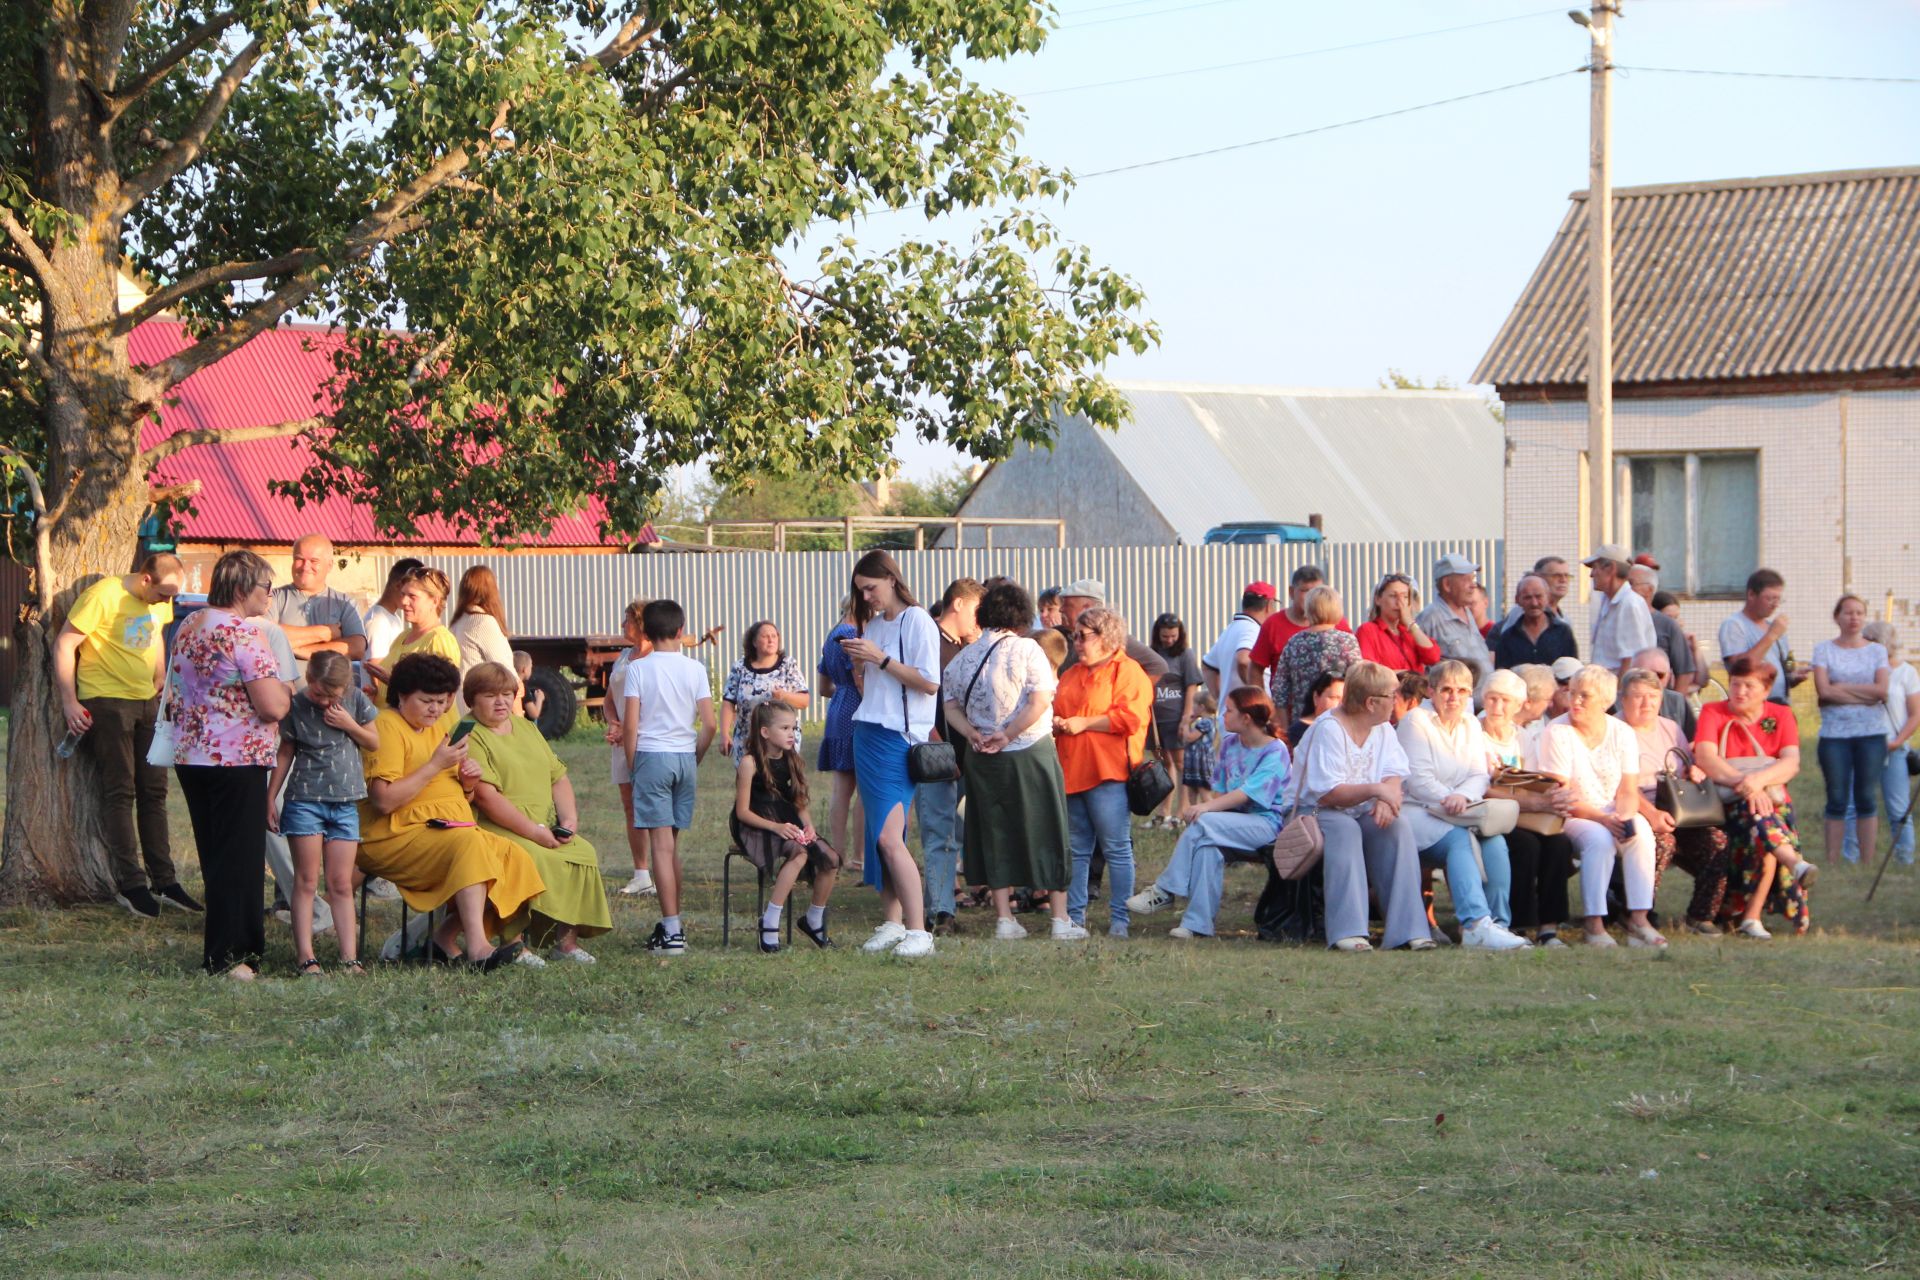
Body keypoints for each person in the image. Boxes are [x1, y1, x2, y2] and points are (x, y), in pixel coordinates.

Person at [357, 653, 544, 969]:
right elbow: (384, 801)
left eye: (442, 702)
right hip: (395, 833)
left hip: (446, 824)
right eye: (427, 701)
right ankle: (478, 949)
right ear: (401, 696)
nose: (436, 709)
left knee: (511, 854)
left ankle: (482, 942)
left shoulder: (435, 725)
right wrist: (435, 765)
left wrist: (468, 783)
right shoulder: (387, 727)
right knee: (469, 845)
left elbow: (457, 790)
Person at [164, 551, 289, 977]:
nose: (269, 597)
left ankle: (218, 951)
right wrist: (288, 694)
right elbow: (272, 705)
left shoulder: (189, 624)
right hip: (235, 758)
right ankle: (235, 957)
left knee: (217, 855)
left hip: (192, 755)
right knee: (241, 858)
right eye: (265, 588)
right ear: (241, 590)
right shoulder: (243, 633)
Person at [53, 551, 194, 918]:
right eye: (164, 594)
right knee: (121, 790)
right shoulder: (103, 595)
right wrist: (69, 701)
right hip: (108, 702)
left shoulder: (160, 600)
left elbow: (157, 635)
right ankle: (131, 885)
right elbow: (66, 643)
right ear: (146, 579)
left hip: (148, 700)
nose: (169, 603)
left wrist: (160, 673)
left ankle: (165, 881)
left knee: (155, 791)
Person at [941, 582, 1075, 940]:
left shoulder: (964, 656)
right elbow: (1040, 700)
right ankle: (1060, 920)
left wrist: (972, 733)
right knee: (1048, 827)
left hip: (981, 755)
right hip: (1030, 751)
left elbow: (949, 705)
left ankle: (1005, 919)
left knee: (994, 831)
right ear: (1020, 613)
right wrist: (1009, 733)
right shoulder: (1028, 649)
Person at [464, 661, 612, 964]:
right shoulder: (470, 732)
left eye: (507, 694)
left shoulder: (524, 726)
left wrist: (569, 821)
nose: (502, 701)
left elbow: (557, 776)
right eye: (491, 695)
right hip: (497, 824)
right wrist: (533, 832)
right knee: (526, 855)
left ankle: (565, 944)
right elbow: (486, 797)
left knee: (581, 852)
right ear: (472, 699)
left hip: (543, 823)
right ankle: (515, 944)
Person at [836, 550, 941, 958]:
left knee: (887, 836)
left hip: (899, 737)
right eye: (861, 591)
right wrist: (863, 665)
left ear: (892, 580)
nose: (867, 598)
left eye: (871, 588)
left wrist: (879, 658)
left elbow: (929, 682)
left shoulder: (917, 620)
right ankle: (894, 923)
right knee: (881, 837)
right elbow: (877, 683)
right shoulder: (875, 625)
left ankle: (919, 930)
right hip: (869, 730)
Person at [1286, 660, 1431, 952]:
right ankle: (1348, 931)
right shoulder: (1329, 728)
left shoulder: (1382, 727)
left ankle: (1409, 930)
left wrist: (1387, 798)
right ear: (1370, 702)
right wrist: (1378, 791)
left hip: (1358, 809)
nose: (1397, 701)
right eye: (1393, 695)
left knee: (1397, 827)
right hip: (1313, 811)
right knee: (1345, 828)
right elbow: (1328, 794)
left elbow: (1395, 772)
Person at [1127, 686, 1291, 939]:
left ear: (1246, 718)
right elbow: (1221, 793)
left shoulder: (1275, 750)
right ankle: (1197, 924)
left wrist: (1204, 809)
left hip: (1265, 826)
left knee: (1204, 825)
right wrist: (1208, 808)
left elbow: (1247, 794)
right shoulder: (1230, 744)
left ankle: (1165, 890)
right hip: (1231, 823)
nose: (1223, 714)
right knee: (1206, 848)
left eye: (1230, 710)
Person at [1397, 660, 1529, 950]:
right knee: (1459, 839)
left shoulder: (1470, 723)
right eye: (1446, 689)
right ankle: (1474, 924)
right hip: (1417, 811)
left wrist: (1463, 798)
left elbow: (1478, 774)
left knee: (1494, 841)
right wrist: (1450, 798)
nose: (1453, 697)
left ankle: (1498, 924)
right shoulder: (1415, 722)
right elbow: (1418, 781)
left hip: (1461, 808)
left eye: (1462, 690)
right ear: (1431, 690)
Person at [267, 651, 380, 975]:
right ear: (310, 680)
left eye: (333, 695)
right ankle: (306, 956)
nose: (323, 701)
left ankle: (349, 957)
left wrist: (348, 724)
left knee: (341, 883)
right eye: (318, 693)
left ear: (346, 687)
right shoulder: (297, 705)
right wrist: (270, 796)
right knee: (305, 880)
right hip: (305, 801)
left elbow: (373, 741)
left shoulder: (356, 701)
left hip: (345, 803)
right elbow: (286, 750)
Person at [1537, 665, 1664, 948]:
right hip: (1571, 812)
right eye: (1572, 693)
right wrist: (1603, 820)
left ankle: (1639, 919)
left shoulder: (1622, 732)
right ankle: (1594, 925)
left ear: (1605, 701)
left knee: (1640, 833)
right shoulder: (1556, 731)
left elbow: (1629, 789)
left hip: (1613, 808)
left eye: (1585, 696)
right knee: (1599, 840)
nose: (1576, 701)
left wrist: (1624, 816)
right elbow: (1562, 795)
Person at [621, 598, 718, 956]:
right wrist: (696, 756)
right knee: (671, 847)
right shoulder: (695, 669)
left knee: (660, 848)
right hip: (684, 757)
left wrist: (634, 764)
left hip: (652, 756)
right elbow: (708, 723)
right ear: (681, 631)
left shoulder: (639, 669)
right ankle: (669, 924)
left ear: (645, 631)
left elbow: (631, 723)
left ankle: (673, 931)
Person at [1695, 656, 1817, 937]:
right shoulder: (1714, 712)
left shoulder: (1780, 715)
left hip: (1769, 801)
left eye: (1749, 686)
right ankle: (1792, 867)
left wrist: (1758, 783)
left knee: (1762, 826)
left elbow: (1791, 763)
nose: (1740, 691)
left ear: (1765, 689)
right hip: (1729, 802)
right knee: (1760, 819)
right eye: (1735, 684)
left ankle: (1749, 915)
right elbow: (1706, 758)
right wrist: (1748, 786)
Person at [1053, 606, 1151, 938]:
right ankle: (1075, 919)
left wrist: (1083, 723)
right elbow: (1057, 708)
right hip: (1071, 771)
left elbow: (1130, 719)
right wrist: (1056, 722)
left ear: (1106, 636)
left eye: (1084, 636)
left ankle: (1120, 920)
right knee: (1078, 849)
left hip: (1109, 774)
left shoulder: (1128, 671)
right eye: (1074, 636)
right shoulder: (1071, 674)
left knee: (1116, 847)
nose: (1077, 643)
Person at [1617, 667, 1731, 936]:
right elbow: (1617, 786)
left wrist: (1694, 771)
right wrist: (1652, 814)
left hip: (1679, 807)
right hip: (1635, 808)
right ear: (1623, 699)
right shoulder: (1615, 729)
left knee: (1717, 841)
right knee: (1661, 842)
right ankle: (1638, 912)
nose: (1646, 703)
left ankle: (1701, 915)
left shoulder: (1670, 727)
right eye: (1638, 697)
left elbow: (1687, 766)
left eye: (1653, 697)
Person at [732, 701, 842, 952]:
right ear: (765, 732)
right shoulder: (750, 763)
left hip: (786, 820)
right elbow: (742, 812)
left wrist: (809, 826)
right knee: (799, 852)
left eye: (794, 728)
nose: (792, 733)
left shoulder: (792, 759)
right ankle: (770, 921)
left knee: (831, 858)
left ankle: (813, 919)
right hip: (757, 824)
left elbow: (799, 802)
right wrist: (776, 827)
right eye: (785, 728)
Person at [1480, 668, 1576, 945]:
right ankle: (1518, 923)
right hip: (1490, 813)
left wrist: (1553, 797)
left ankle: (1549, 926)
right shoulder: (1474, 732)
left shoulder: (1522, 736)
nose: (1497, 707)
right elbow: (1482, 788)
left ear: (1519, 705)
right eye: (1492, 699)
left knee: (1559, 843)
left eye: (1505, 701)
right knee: (1525, 846)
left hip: (1523, 813)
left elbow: (1535, 781)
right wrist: (1534, 801)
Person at [919, 580, 984, 934]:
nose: (980, 620)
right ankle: (940, 912)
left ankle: (943, 904)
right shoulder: (928, 638)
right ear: (958, 604)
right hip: (938, 754)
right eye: (977, 611)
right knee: (939, 831)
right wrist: (935, 742)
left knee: (954, 831)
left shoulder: (966, 646)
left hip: (967, 752)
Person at [1813, 594, 1891, 864]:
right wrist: (1864, 695)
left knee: (1866, 796)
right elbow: (1823, 691)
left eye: (1859, 612)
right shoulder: (1824, 650)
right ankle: (1833, 859)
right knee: (1836, 796)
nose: (1854, 617)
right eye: (1848, 612)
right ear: (1837, 617)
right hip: (1834, 735)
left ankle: (1866, 861)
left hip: (1871, 734)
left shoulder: (1877, 651)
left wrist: (1841, 688)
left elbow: (1882, 691)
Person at [1847, 621, 1920, 866]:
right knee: (1854, 806)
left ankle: (1904, 859)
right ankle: (1851, 858)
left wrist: (1897, 742)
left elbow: (1915, 715)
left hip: (1894, 750)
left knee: (1899, 809)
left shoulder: (1907, 672)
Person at [365, 566, 461, 733]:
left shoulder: (438, 639)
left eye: (412, 596)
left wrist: (393, 682)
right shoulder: (403, 636)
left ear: (434, 601)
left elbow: (446, 699)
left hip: (430, 736)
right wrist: (379, 693)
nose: (404, 602)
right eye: (403, 594)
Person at [603, 599, 656, 898]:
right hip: (621, 741)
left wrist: (629, 728)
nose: (623, 626)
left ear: (640, 623)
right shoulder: (624, 657)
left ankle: (658, 867)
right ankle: (641, 873)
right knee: (630, 806)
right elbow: (611, 699)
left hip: (646, 739)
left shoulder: (654, 658)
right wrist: (613, 723)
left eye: (627, 620)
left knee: (649, 805)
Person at [815, 598, 864, 874]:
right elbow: (860, 680)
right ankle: (859, 857)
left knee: (840, 790)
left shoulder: (833, 633)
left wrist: (842, 692)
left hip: (838, 708)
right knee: (864, 791)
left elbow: (823, 686)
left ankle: (837, 853)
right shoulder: (852, 636)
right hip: (857, 708)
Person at [269, 535, 368, 669]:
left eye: (314, 561)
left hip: (331, 689)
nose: (305, 566)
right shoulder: (272, 598)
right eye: (299, 559)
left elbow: (356, 648)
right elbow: (265, 637)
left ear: (329, 565)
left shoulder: (344, 603)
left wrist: (300, 650)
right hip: (284, 689)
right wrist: (325, 633)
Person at [1250, 566, 1354, 692]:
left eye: (1317, 591)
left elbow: (1355, 671)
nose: (1312, 597)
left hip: (1332, 707)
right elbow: (1255, 668)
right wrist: (1264, 704)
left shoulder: (1339, 624)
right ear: (1291, 592)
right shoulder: (1273, 624)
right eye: (1305, 591)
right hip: (1290, 709)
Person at [720, 621, 811, 763]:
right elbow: (728, 703)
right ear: (754, 642)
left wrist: (784, 696)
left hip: (782, 740)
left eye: (774, 636)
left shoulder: (788, 665)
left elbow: (804, 701)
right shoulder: (740, 668)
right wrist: (724, 733)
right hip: (747, 737)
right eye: (765, 636)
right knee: (749, 779)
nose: (771, 640)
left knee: (779, 780)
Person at [1270, 586, 1361, 724]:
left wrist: (1285, 730)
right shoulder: (1347, 642)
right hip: (1340, 721)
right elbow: (1358, 683)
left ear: (1309, 609)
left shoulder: (1295, 642)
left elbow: (1279, 691)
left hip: (1303, 723)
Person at [1147, 613, 1205, 827]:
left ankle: (1181, 812)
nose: (1169, 640)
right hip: (1155, 718)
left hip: (1175, 716)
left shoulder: (1185, 655)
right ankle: (1164, 811)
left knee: (1180, 763)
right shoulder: (1152, 653)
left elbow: (1192, 685)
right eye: (1165, 636)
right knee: (1164, 762)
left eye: (1173, 636)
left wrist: (1186, 717)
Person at [1718, 568, 1808, 704]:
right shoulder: (1734, 625)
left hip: (1780, 705)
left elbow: (1786, 664)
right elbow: (1740, 668)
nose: (1775, 605)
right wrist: (1771, 635)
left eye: (1778, 599)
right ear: (1751, 595)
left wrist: (1793, 676)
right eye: (1770, 598)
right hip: (1752, 706)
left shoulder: (1774, 627)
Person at [1057, 579, 1168, 682]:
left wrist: (1126, 693)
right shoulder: (1057, 635)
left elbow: (1158, 666)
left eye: (1068, 605)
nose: (1061, 609)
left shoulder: (1112, 638)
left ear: (1087, 607)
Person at [1416, 553, 1493, 686]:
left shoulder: (1467, 611)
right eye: (1466, 579)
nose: (1473, 585)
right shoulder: (1431, 617)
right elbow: (1420, 666)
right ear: (1447, 585)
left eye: (1473, 579)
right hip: (1457, 702)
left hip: (1481, 702)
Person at [449, 565, 517, 711]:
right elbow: (506, 672)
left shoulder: (457, 623)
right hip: (483, 708)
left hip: (460, 705)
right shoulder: (483, 622)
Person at [1581, 546, 1656, 678]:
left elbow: (1631, 660)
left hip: (1616, 688)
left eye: (1595, 567)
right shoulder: (1606, 601)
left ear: (1610, 568)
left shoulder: (1629, 604)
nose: (1591, 574)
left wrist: (1620, 694)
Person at [1201, 581, 1276, 699]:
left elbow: (1207, 666)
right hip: (1249, 714)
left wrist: (1221, 697)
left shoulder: (1230, 630)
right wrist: (1259, 698)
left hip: (1230, 713)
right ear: (1268, 605)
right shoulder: (1252, 629)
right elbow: (1243, 660)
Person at [1628, 565, 1697, 694]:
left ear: (1649, 590)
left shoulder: (1668, 625)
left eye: (1631, 583)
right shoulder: (1620, 618)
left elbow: (1684, 671)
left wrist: (1674, 705)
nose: (1626, 589)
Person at [1355, 573, 1440, 674]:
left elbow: (1433, 657)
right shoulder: (1368, 630)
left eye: (1404, 597)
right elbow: (1369, 671)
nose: (1399, 603)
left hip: (1415, 689)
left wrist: (1411, 624)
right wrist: (1406, 674)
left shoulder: (1411, 632)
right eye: (1393, 596)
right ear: (1378, 599)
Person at [1493, 575, 1578, 671]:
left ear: (1548, 597)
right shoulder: (1508, 637)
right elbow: (1502, 674)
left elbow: (1572, 669)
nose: (1534, 603)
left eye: (1539, 596)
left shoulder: (1563, 632)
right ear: (1517, 600)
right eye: (1527, 598)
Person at [361, 557, 424, 667]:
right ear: (399, 586)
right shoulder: (377, 621)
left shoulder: (393, 618)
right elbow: (375, 669)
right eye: (410, 592)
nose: (409, 601)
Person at [1493, 555, 1576, 640]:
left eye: (1567, 576)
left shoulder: (1565, 620)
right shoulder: (1523, 612)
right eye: (1556, 576)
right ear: (1538, 577)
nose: (1563, 580)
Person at [1625, 648, 1697, 740]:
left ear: (1669, 677)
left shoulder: (1678, 702)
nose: (1651, 680)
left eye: (1659, 675)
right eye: (1643, 675)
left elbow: (1692, 742)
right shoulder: (1614, 703)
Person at [1652, 592, 1706, 690]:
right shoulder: (1654, 645)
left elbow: (1703, 681)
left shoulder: (1682, 641)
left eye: (1676, 617)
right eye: (1669, 618)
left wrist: (1695, 650)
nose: (1675, 624)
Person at [1181, 688, 1218, 808]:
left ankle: (1210, 816)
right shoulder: (1200, 722)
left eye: (1194, 705)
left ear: (1202, 707)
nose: (1193, 708)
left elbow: (1190, 738)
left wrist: (1186, 724)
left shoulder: (1206, 722)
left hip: (1201, 764)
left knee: (1203, 792)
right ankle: (1193, 819)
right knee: (1192, 793)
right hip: (1193, 763)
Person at [1287, 671, 1342, 750]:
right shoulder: (1296, 733)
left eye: (1344, 699)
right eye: (1333, 698)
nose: (1340, 704)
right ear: (1316, 697)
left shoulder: (1350, 731)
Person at [513, 651, 540, 720]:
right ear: (524, 670)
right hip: (519, 723)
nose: (531, 670)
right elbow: (534, 714)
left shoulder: (509, 684)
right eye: (531, 667)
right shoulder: (523, 689)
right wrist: (540, 699)